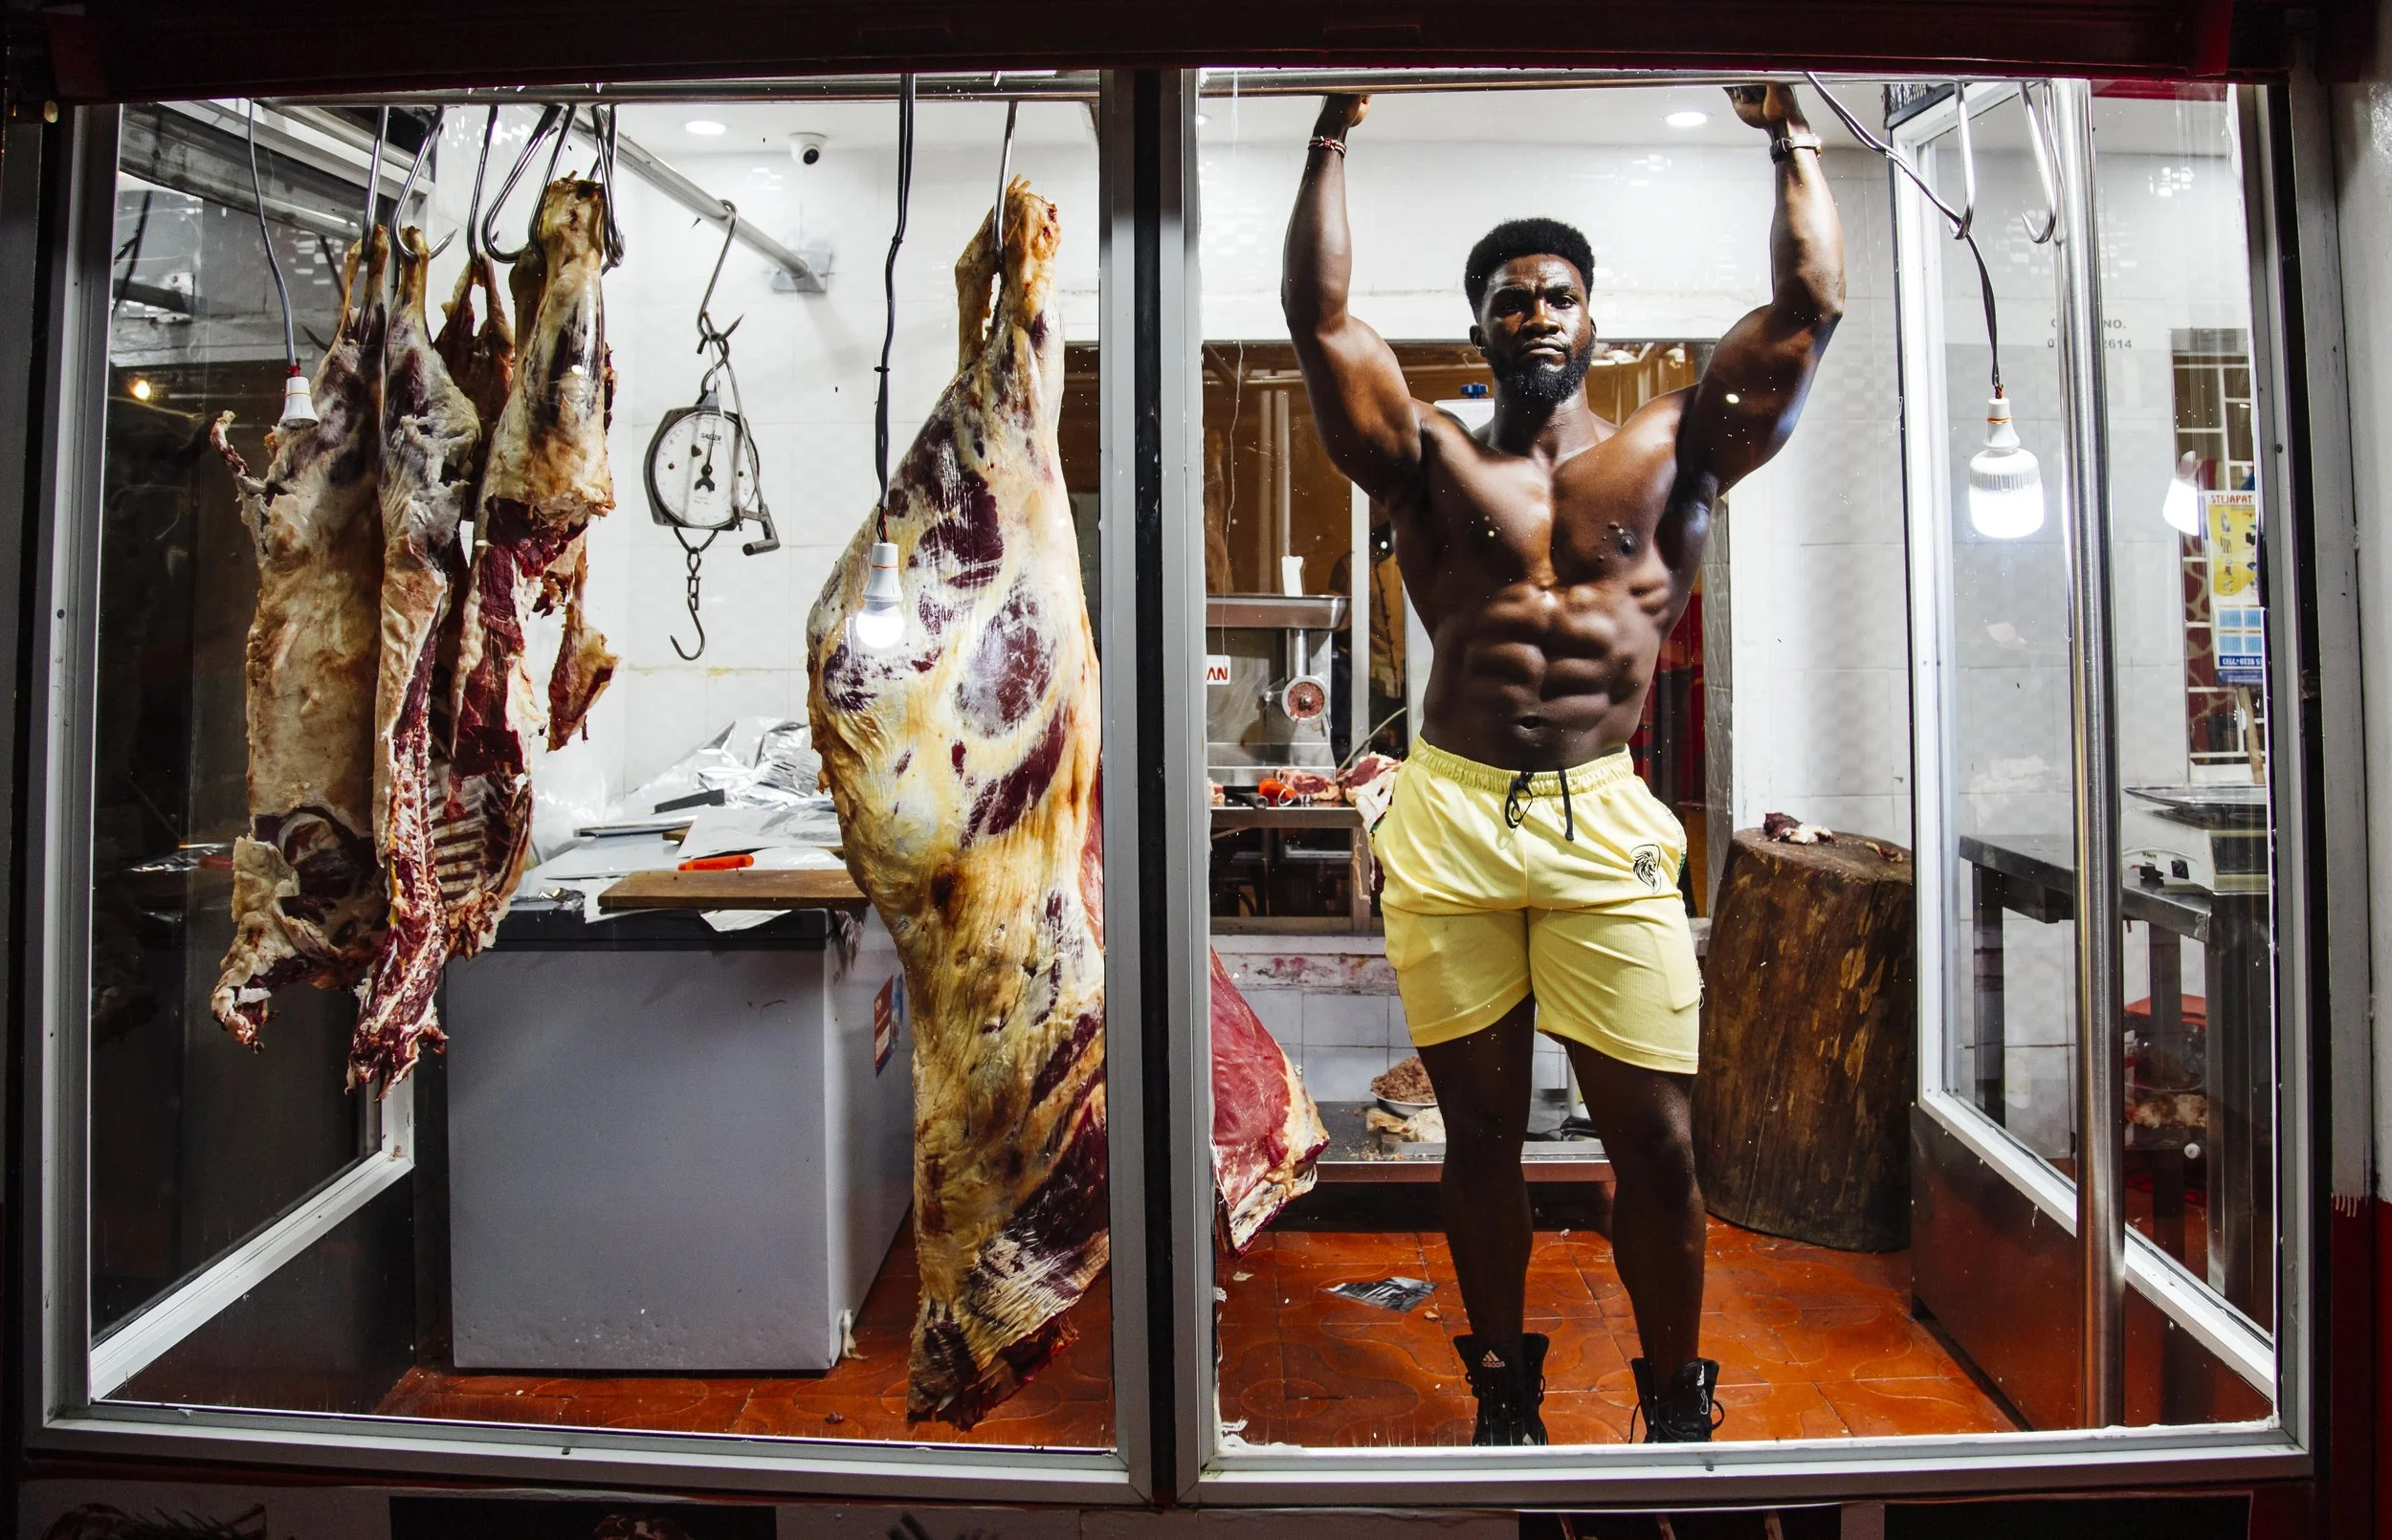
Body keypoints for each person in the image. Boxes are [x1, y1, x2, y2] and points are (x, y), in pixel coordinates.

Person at [1280, 84, 1843, 1445]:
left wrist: (1788, 131)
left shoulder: (1672, 449)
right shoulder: (1423, 459)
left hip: (1604, 819)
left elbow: (1809, 304)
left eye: (1559, 295)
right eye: (1511, 299)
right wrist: (1330, 130)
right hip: (1455, 809)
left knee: (1654, 1138)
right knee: (1480, 1136)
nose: (1536, 314)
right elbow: (1320, 318)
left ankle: (1673, 1407)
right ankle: (1503, 1399)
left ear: (1593, 318)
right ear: (1480, 324)